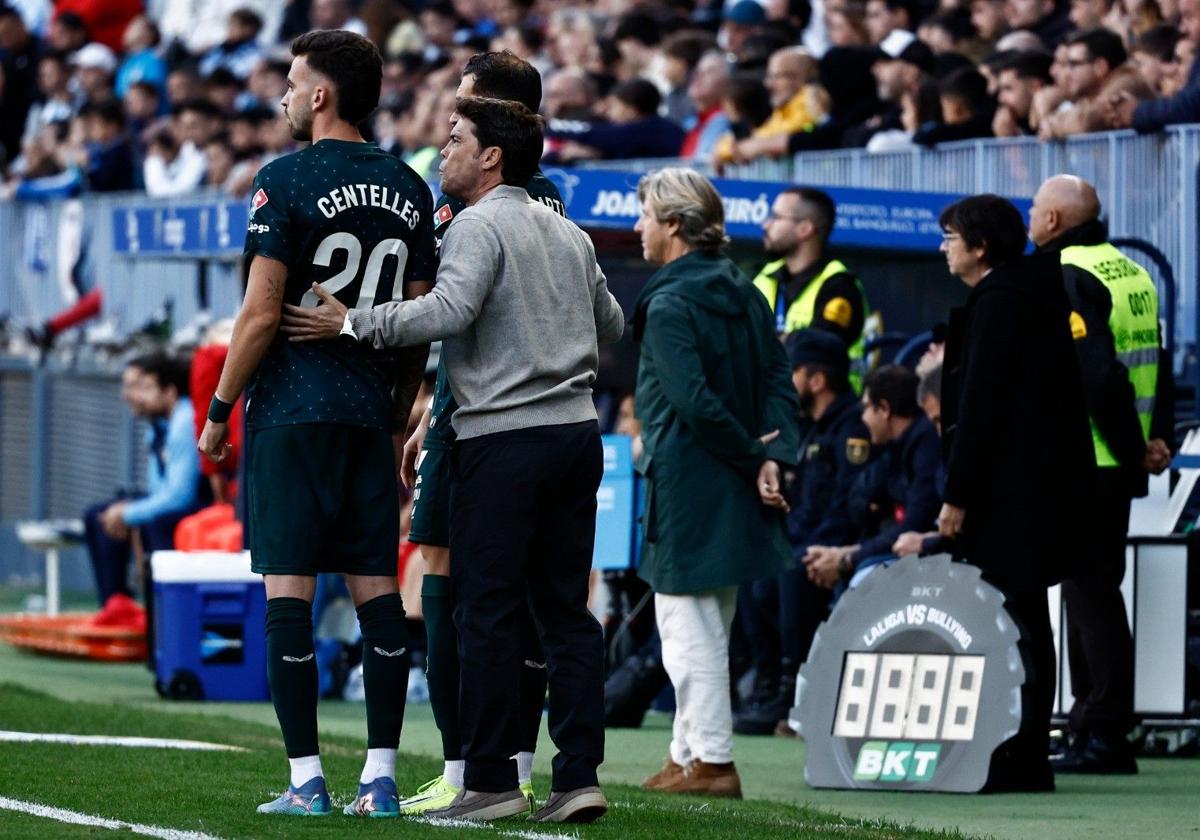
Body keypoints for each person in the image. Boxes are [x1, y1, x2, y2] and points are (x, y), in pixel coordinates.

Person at [282, 95, 624, 824]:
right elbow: (612, 322)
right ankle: (578, 776)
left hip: (503, 439)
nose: (445, 151)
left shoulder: (476, 224)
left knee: (488, 609)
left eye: (456, 139)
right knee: (565, 612)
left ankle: (492, 779)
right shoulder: (567, 232)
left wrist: (353, 321)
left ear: (492, 156)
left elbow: (447, 312)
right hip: (576, 435)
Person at [197, 30, 436, 818]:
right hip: (369, 416)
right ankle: (381, 779)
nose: (287, 97)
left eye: (293, 84)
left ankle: (306, 782)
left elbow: (261, 314)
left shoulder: (284, 178)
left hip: (293, 414)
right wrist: (399, 409)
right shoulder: (410, 186)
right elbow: (416, 322)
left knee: (288, 593)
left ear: (322, 94)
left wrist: (220, 410)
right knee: (376, 594)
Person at [395, 50, 566, 817]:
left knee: (470, 577)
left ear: (496, 123)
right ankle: (492, 764)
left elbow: (463, 310)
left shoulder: (506, 201)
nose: (448, 123)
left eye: (463, 107)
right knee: (490, 580)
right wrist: (434, 398)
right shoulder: (515, 199)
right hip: (481, 409)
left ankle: (479, 764)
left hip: (497, 421)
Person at [631, 168, 800, 798]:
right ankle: (685, 754)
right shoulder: (748, 291)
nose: (639, 227)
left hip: (689, 477)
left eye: (647, 215)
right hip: (733, 477)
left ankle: (714, 762)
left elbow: (694, 404)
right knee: (708, 619)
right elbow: (781, 379)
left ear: (674, 225)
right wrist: (768, 457)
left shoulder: (671, 301)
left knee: (687, 626)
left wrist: (750, 457)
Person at [937, 194, 1097, 793]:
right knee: (1025, 618)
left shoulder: (1002, 301)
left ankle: (1022, 753)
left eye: (951, 237)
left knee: (1016, 621)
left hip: (1010, 493)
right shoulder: (1027, 293)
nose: (944, 247)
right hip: (1031, 487)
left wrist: (958, 493)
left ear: (980, 246)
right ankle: (1023, 749)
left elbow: (981, 407)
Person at [1028, 175, 1173, 774]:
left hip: (1092, 458)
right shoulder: (1129, 270)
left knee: (1091, 599)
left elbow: (1097, 376)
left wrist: (1134, 443)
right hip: (1118, 459)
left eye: (1036, 209)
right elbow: (1153, 359)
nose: (1031, 218)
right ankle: (1095, 725)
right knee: (1096, 594)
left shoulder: (1067, 274)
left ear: (1056, 221)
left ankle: (1104, 732)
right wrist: (1156, 434)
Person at [734, 329, 871, 737]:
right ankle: (767, 682)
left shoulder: (852, 427)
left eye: (793, 371)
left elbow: (850, 505)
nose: (785, 381)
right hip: (798, 538)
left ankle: (794, 689)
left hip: (838, 543)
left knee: (791, 571)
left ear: (817, 379)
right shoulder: (804, 425)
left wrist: (805, 543)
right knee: (753, 570)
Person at [804, 364, 941, 591]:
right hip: (888, 550)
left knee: (862, 579)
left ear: (884, 409)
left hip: (926, 560)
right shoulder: (894, 448)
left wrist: (846, 558)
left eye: (867, 407)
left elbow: (912, 526)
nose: (863, 418)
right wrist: (843, 554)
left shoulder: (925, 443)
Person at [85, 352, 207, 607]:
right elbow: (156, 489)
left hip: (200, 504)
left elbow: (180, 495)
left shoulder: (184, 422)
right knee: (98, 515)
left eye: (146, 388)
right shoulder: (159, 423)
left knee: (151, 521)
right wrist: (128, 513)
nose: (137, 396)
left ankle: (160, 617)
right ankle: (115, 606)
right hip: (176, 501)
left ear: (170, 392)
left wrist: (130, 515)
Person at [754, 187, 869, 379]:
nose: (766, 224)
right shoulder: (764, 277)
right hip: (768, 401)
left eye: (776, 217)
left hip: (827, 406)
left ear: (805, 229)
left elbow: (816, 352)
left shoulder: (839, 285)